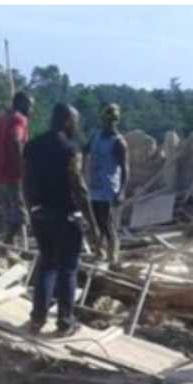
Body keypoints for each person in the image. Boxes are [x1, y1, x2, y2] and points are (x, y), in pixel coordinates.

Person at [22, 103, 95, 337]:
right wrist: (92, 223)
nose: (76, 126)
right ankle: (65, 322)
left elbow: (25, 182)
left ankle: (37, 319)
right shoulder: (70, 149)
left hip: (40, 214)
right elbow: (79, 188)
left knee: (47, 265)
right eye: (75, 121)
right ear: (67, 121)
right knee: (68, 269)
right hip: (65, 216)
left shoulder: (32, 146)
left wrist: (30, 210)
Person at [0, 91, 33, 247]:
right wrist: (23, 166)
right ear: (22, 104)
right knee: (20, 215)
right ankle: (7, 244)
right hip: (13, 174)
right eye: (30, 106)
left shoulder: (0, 119)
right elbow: (16, 140)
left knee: (8, 211)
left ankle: (12, 246)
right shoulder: (19, 119)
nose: (31, 110)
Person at [83, 103, 129, 267]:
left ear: (116, 121)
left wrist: (122, 191)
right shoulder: (95, 136)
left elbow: (125, 168)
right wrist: (82, 171)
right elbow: (85, 150)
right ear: (102, 119)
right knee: (95, 221)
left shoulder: (118, 142)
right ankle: (99, 252)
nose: (109, 123)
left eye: (112, 120)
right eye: (107, 120)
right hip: (94, 186)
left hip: (109, 187)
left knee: (107, 222)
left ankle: (112, 255)